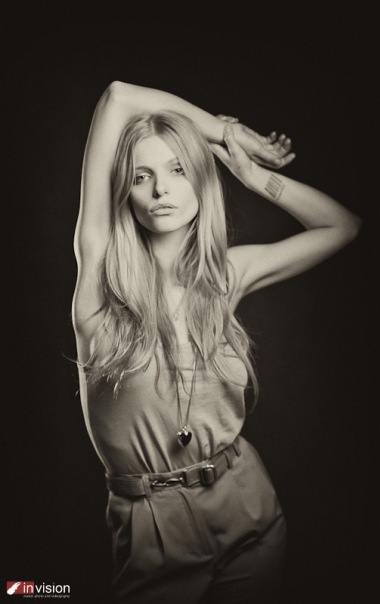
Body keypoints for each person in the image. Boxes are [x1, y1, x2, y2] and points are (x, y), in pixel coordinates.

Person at [72, 81, 361, 604]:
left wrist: (254, 175)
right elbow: (117, 97)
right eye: (141, 176)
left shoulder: (225, 278)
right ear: (125, 193)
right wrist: (227, 131)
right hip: (152, 528)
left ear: (202, 182)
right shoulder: (99, 280)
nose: (160, 190)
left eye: (178, 169)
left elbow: (342, 226)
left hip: (247, 506)